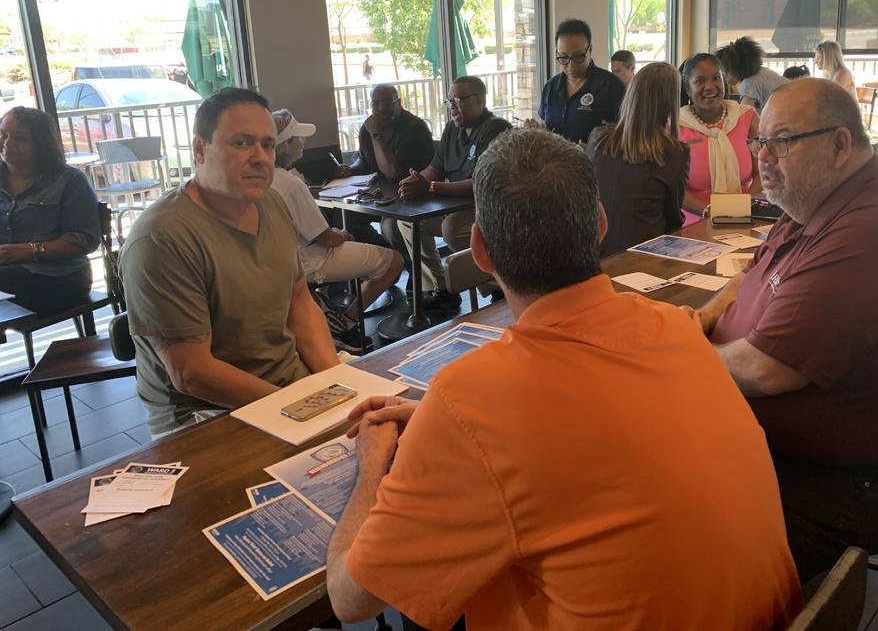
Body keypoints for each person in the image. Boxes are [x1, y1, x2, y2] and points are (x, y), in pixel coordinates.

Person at [326, 128, 800, 629]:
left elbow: (350, 599)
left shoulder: (470, 399)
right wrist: (450, 430)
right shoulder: (669, 325)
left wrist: (373, 462)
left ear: (479, 249)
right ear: (598, 225)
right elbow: (588, 416)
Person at [696, 78, 878, 583]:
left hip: (854, 485)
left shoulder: (869, 230)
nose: (763, 157)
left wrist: (666, 357)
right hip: (796, 449)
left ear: (840, 145)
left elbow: (765, 372)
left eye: (781, 142)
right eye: (759, 142)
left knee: (662, 517)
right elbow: (752, 274)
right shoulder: (814, 200)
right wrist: (706, 317)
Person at [121, 88, 341, 438]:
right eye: (241, 143)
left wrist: (335, 382)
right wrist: (297, 412)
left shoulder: (270, 204)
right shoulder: (161, 238)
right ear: (199, 150)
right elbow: (192, 374)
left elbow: (299, 301)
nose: (260, 157)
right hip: (205, 414)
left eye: (268, 145)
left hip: (288, 387)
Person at [270, 109, 403, 349]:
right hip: (310, 260)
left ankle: (327, 312)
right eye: (298, 137)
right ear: (285, 144)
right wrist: (342, 235)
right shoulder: (291, 184)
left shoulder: (263, 178)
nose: (304, 141)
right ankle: (347, 323)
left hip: (283, 261)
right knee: (394, 261)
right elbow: (325, 237)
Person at [396, 75, 510, 309]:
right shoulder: (452, 129)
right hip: (453, 206)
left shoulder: (495, 128)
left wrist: (429, 187)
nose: (452, 108)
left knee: (452, 229)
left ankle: (495, 284)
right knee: (406, 222)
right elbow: (435, 168)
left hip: (488, 210)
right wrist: (416, 180)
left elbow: (478, 182)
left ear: (479, 99)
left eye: (457, 100)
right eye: (449, 103)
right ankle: (441, 287)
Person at [0, 107, 100, 314]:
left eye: (20, 137)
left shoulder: (69, 180)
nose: (8, 143)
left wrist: (25, 251)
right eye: (3, 135)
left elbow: (84, 240)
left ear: (40, 143)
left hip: (60, 276)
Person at [587, 61, 688, 256]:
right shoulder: (674, 152)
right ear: (671, 102)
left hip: (593, 251)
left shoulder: (597, 137)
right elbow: (674, 220)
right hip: (643, 255)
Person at [347, 83, 435, 251]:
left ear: (399, 102)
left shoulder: (414, 128)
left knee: (391, 226)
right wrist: (351, 169)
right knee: (344, 217)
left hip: (410, 196)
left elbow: (393, 173)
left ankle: (407, 267)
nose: (381, 108)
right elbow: (363, 159)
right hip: (379, 195)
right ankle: (384, 258)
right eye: (375, 103)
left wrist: (377, 135)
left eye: (387, 102)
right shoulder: (369, 128)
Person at [678, 53, 761, 224]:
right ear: (688, 89)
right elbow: (674, 187)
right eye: (699, 81)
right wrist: (710, 213)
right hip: (694, 221)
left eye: (716, 78)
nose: (710, 86)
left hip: (745, 215)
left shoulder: (747, 118)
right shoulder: (674, 126)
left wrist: (741, 208)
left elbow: (763, 172)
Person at [538, 18, 625, 143]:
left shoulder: (610, 86)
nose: (571, 65)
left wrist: (596, 149)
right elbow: (547, 125)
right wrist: (537, 130)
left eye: (578, 57)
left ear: (589, 50)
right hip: (555, 160)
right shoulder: (550, 87)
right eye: (563, 57)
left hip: (593, 161)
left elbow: (626, 134)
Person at [716, 36, 787, 112]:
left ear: (736, 68)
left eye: (724, 72)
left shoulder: (749, 84)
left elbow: (744, 115)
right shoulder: (764, 72)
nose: (723, 77)